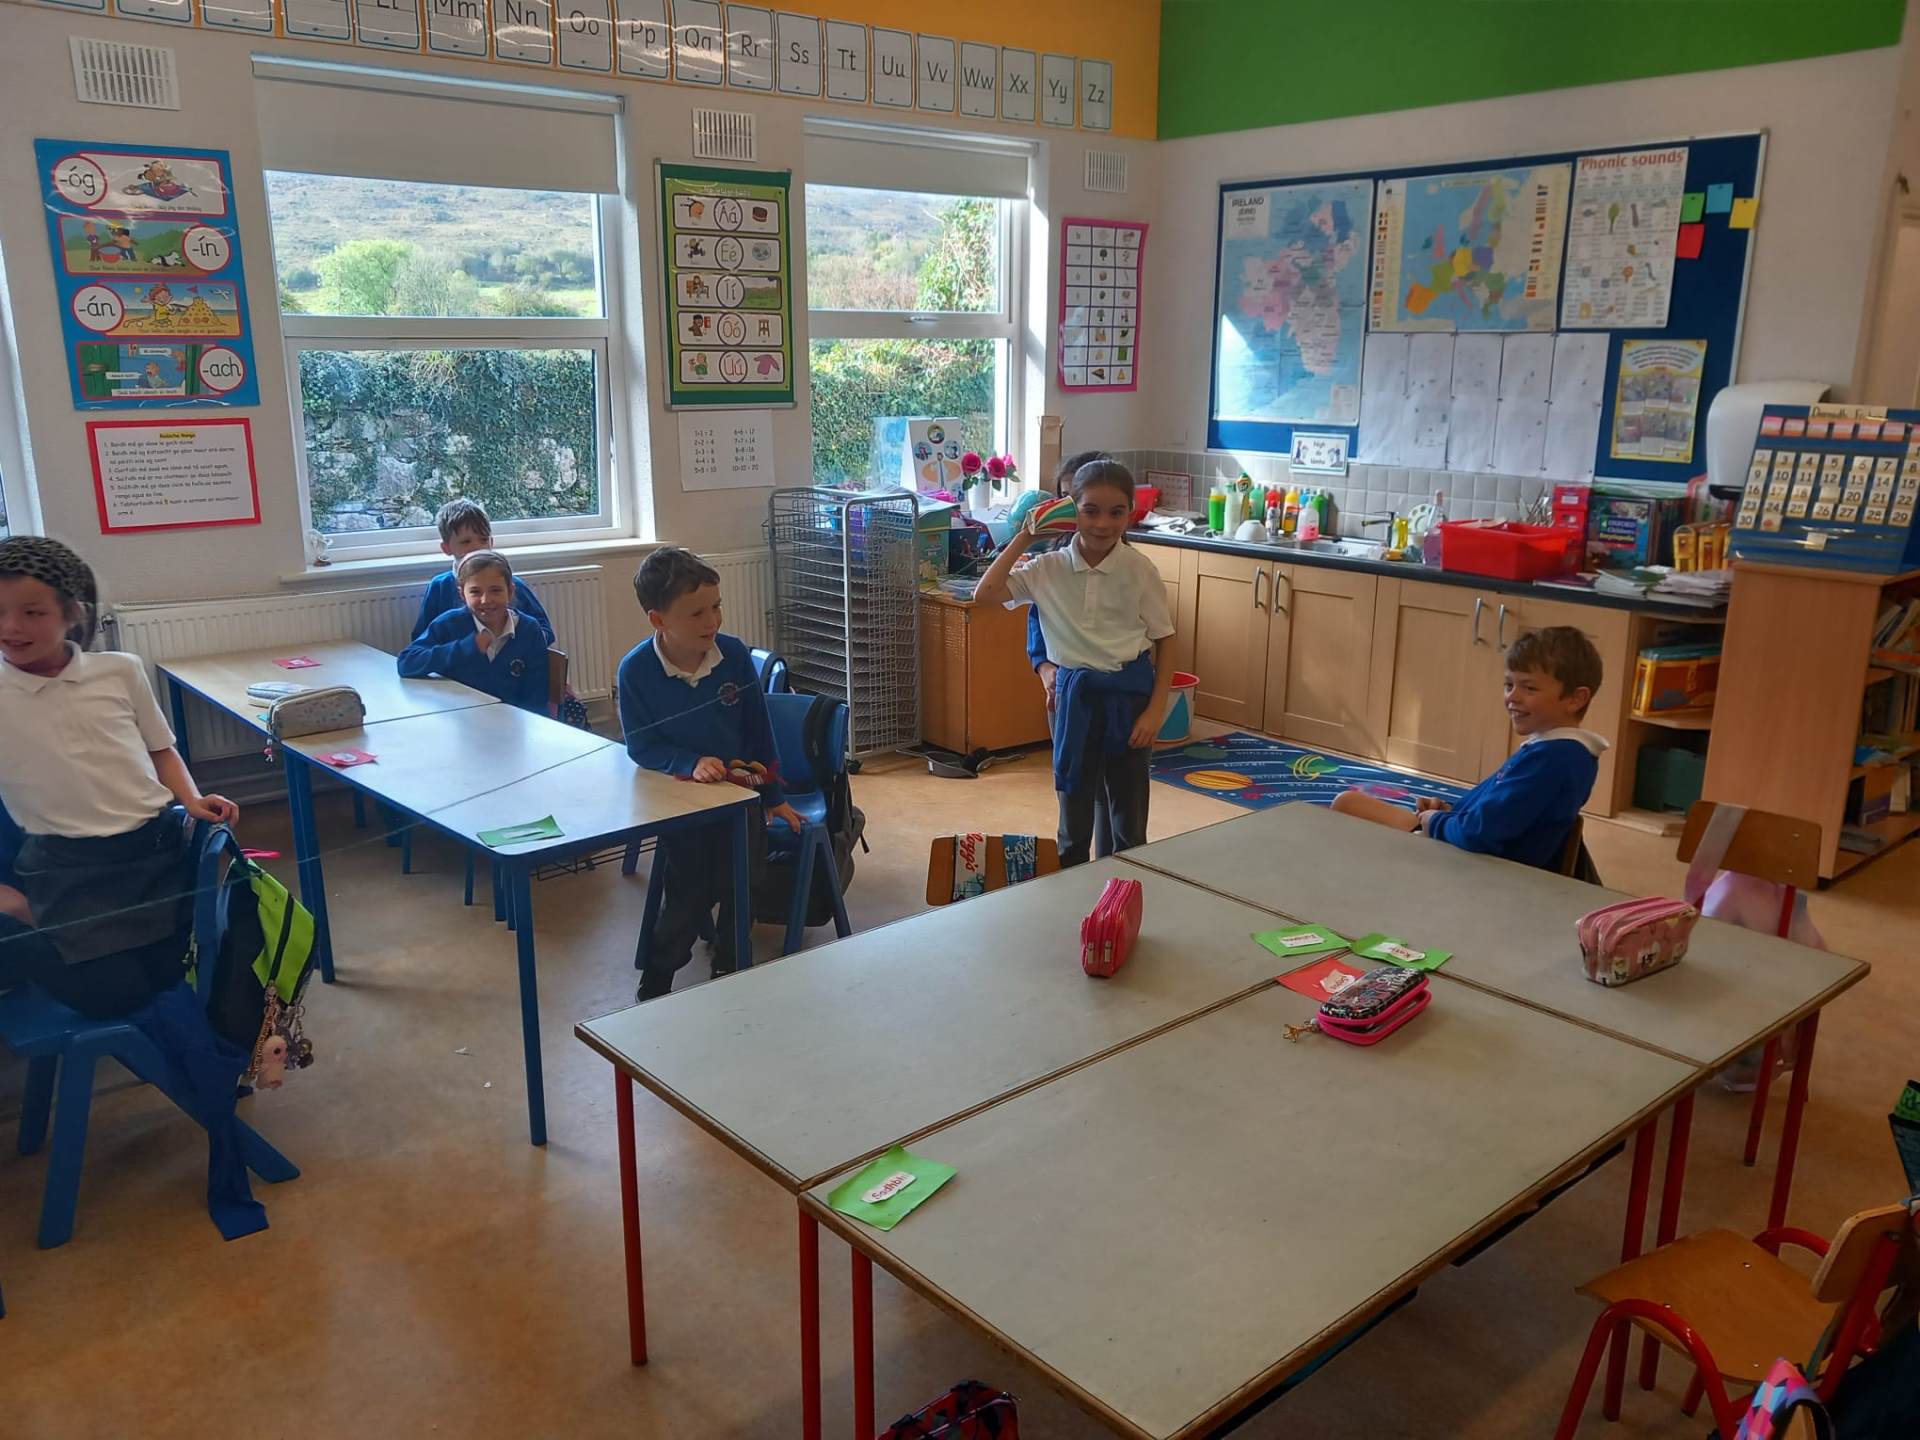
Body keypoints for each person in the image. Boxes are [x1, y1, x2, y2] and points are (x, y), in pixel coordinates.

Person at [0, 536, 239, 1018]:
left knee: (167, 975)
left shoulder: (120, 672)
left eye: (32, 612)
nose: (10, 627)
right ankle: (18, 924)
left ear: (72, 612)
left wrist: (191, 799)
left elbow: (160, 748)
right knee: (111, 998)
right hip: (64, 867)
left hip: (151, 851)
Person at [616, 546, 804, 999]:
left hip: (741, 796)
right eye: (697, 613)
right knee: (688, 892)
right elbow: (641, 746)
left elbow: (759, 731)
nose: (712, 621)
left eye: (716, 607)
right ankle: (658, 978)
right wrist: (689, 762)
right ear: (658, 620)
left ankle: (730, 965)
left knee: (745, 882)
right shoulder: (636, 670)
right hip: (684, 806)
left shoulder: (733, 655)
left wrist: (773, 796)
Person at [974, 460, 1176, 866]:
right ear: (1071, 510)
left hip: (1128, 700)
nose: (1103, 523)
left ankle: (1122, 895)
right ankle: (1073, 892)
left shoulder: (1139, 569)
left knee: (1128, 820)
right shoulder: (1046, 569)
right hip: (1071, 700)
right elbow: (986, 594)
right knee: (1074, 816)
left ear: (1130, 513)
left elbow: (1165, 640)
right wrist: (1027, 535)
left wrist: (1156, 711)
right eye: (1090, 510)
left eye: (1116, 512)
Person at [1331, 626, 1607, 869]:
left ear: (1575, 699)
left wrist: (1436, 822)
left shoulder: (1551, 760)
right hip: (1471, 850)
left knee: (1347, 806)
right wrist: (1450, 811)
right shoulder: (1561, 752)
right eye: (1509, 685)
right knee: (1349, 802)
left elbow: (1480, 833)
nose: (1512, 697)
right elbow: (1502, 814)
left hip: (1473, 866)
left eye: (1529, 688)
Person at [1024, 450, 1114, 855]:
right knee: (1072, 783)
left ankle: (1112, 868)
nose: (1070, 511)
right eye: (1063, 499)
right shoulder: (1053, 559)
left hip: (1113, 691)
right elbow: (1036, 621)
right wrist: (1044, 668)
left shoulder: (1128, 566)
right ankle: (1072, 867)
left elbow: (1154, 636)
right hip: (1063, 688)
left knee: (1110, 790)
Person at [396, 549, 552, 713]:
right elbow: (406, 663)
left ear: (510, 591)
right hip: (459, 717)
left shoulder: (529, 630)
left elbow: (536, 699)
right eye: (475, 592)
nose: (486, 600)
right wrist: (464, 648)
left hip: (513, 721)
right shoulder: (449, 624)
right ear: (462, 594)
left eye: (495, 590)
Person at [409, 498, 555, 645]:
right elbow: (420, 642)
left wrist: (517, 645)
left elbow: (545, 632)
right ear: (446, 548)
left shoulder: (510, 584)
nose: (477, 548)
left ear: (491, 542)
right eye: (466, 542)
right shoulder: (439, 587)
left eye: (483, 540)